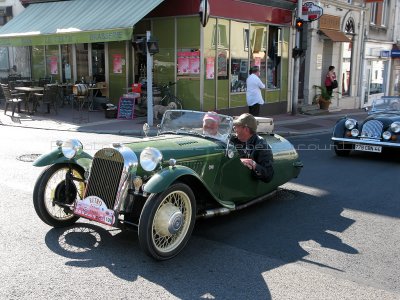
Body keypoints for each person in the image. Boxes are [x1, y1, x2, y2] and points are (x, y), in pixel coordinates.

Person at [231, 113, 274, 183]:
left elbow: (268, 175)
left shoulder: (261, 145)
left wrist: (253, 164)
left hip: (244, 186)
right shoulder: (231, 139)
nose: (234, 128)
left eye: (237, 126)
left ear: (246, 129)